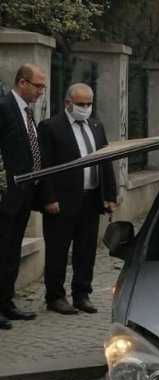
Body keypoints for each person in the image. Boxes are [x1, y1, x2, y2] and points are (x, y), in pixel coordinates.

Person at [37, 83, 117, 315]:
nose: (85, 108)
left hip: (90, 199)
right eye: (80, 104)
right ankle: (55, 296)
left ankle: (82, 294)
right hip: (61, 201)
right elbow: (45, 166)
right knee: (58, 250)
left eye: (89, 104)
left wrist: (109, 195)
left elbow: (106, 160)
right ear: (67, 103)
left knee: (86, 250)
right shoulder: (51, 127)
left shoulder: (96, 126)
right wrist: (49, 198)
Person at [0, 64, 47, 329]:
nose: (41, 91)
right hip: (7, 196)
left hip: (24, 194)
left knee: (11, 252)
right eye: (38, 85)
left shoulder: (27, 112)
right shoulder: (5, 108)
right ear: (22, 83)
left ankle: (7, 302)